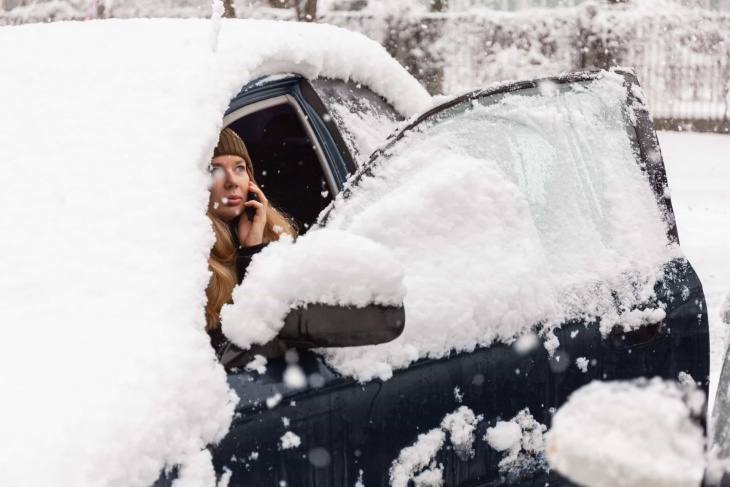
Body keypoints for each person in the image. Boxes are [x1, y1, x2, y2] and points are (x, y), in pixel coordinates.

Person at [205, 127, 296, 357]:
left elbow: (281, 332)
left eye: (239, 168)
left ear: (251, 181)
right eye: (215, 170)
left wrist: (253, 249)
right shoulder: (192, 257)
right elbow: (235, 352)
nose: (232, 181)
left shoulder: (277, 239)